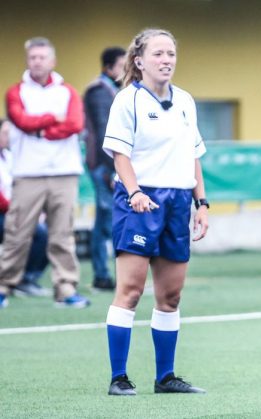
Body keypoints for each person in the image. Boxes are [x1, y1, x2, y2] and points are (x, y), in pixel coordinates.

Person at [102, 28, 209, 396]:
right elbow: (120, 155)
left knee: (171, 297)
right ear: (139, 61)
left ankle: (166, 377)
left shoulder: (185, 101)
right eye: (158, 54)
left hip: (178, 202)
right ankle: (119, 377)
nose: (166, 60)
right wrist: (134, 192)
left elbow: (193, 155)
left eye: (171, 54)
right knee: (130, 292)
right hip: (139, 202)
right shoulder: (127, 100)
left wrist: (202, 203)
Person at [0, 37, 88, 309]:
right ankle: (3, 286)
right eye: (33, 57)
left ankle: (66, 289)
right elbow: (21, 121)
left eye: (42, 57)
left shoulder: (68, 92)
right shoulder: (15, 92)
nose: (37, 62)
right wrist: (51, 118)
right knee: (17, 233)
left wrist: (41, 131)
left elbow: (75, 124)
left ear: (53, 61)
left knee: (63, 234)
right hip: (27, 172)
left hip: (65, 171)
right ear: (27, 60)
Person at [84, 46, 126, 291]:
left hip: (109, 165)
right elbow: (103, 133)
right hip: (104, 166)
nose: (126, 70)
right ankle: (103, 275)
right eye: (121, 66)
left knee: (106, 219)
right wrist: (113, 169)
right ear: (108, 67)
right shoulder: (99, 91)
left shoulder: (114, 90)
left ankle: (105, 275)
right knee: (107, 222)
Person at [0, 118, 50, 298]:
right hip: (6, 213)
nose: (9, 137)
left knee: (51, 232)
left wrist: (38, 210)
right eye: (5, 133)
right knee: (39, 233)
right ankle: (19, 279)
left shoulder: (10, 157)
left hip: (16, 211)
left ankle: (28, 278)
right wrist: (25, 211)